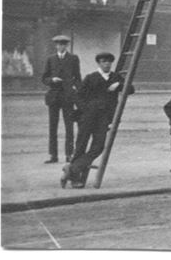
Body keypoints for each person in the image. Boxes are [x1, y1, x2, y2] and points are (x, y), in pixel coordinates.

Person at [61, 52, 134, 188]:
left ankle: (72, 168)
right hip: (88, 118)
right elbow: (77, 96)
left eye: (109, 62)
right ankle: (76, 178)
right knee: (81, 146)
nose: (106, 64)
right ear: (99, 63)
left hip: (104, 119)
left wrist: (118, 86)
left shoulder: (115, 77)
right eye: (103, 61)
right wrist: (86, 109)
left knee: (99, 146)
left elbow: (131, 89)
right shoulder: (91, 78)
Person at [42, 34, 81, 164]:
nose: (61, 46)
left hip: (68, 96)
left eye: (63, 44)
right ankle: (53, 155)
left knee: (69, 126)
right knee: (52, 126)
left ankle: (69, 154)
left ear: (66, 45)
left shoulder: (73, 58)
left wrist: (79, 93)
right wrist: (52, 80)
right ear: (56, 45)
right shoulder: (50, 59)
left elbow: (78, 77)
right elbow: (44, 78)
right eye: (59, 44)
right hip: (53, 96)